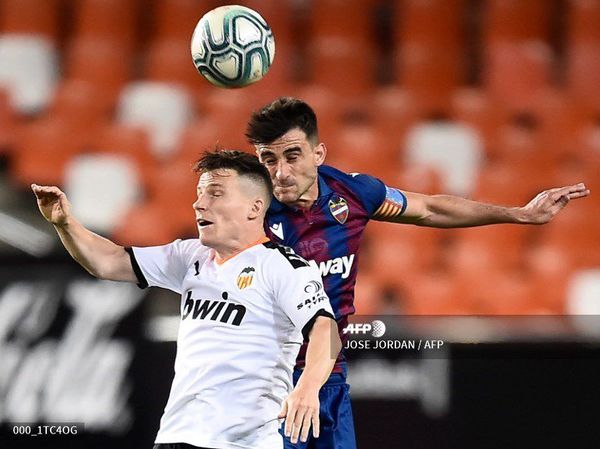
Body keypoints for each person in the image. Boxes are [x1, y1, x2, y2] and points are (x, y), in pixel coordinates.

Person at [246, 97, 591, 449]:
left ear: (318, 154)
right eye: (268, 160)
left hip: (328, 375)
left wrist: (519, 214)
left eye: (292, 156)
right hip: (266, 380)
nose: (281, 173)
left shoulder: (352, 194)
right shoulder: (248, 211)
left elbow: (428, 209)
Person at [31, 150, 342, 449]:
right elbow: (109, 262)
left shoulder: (282, 267)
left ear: (254, 207)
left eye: (215, 194)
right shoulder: (190, 256)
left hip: (241, 442)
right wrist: (65, 223)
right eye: (199, 193)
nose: (198, 204)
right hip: (176, 434)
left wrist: (308, 387)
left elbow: (326, 331)